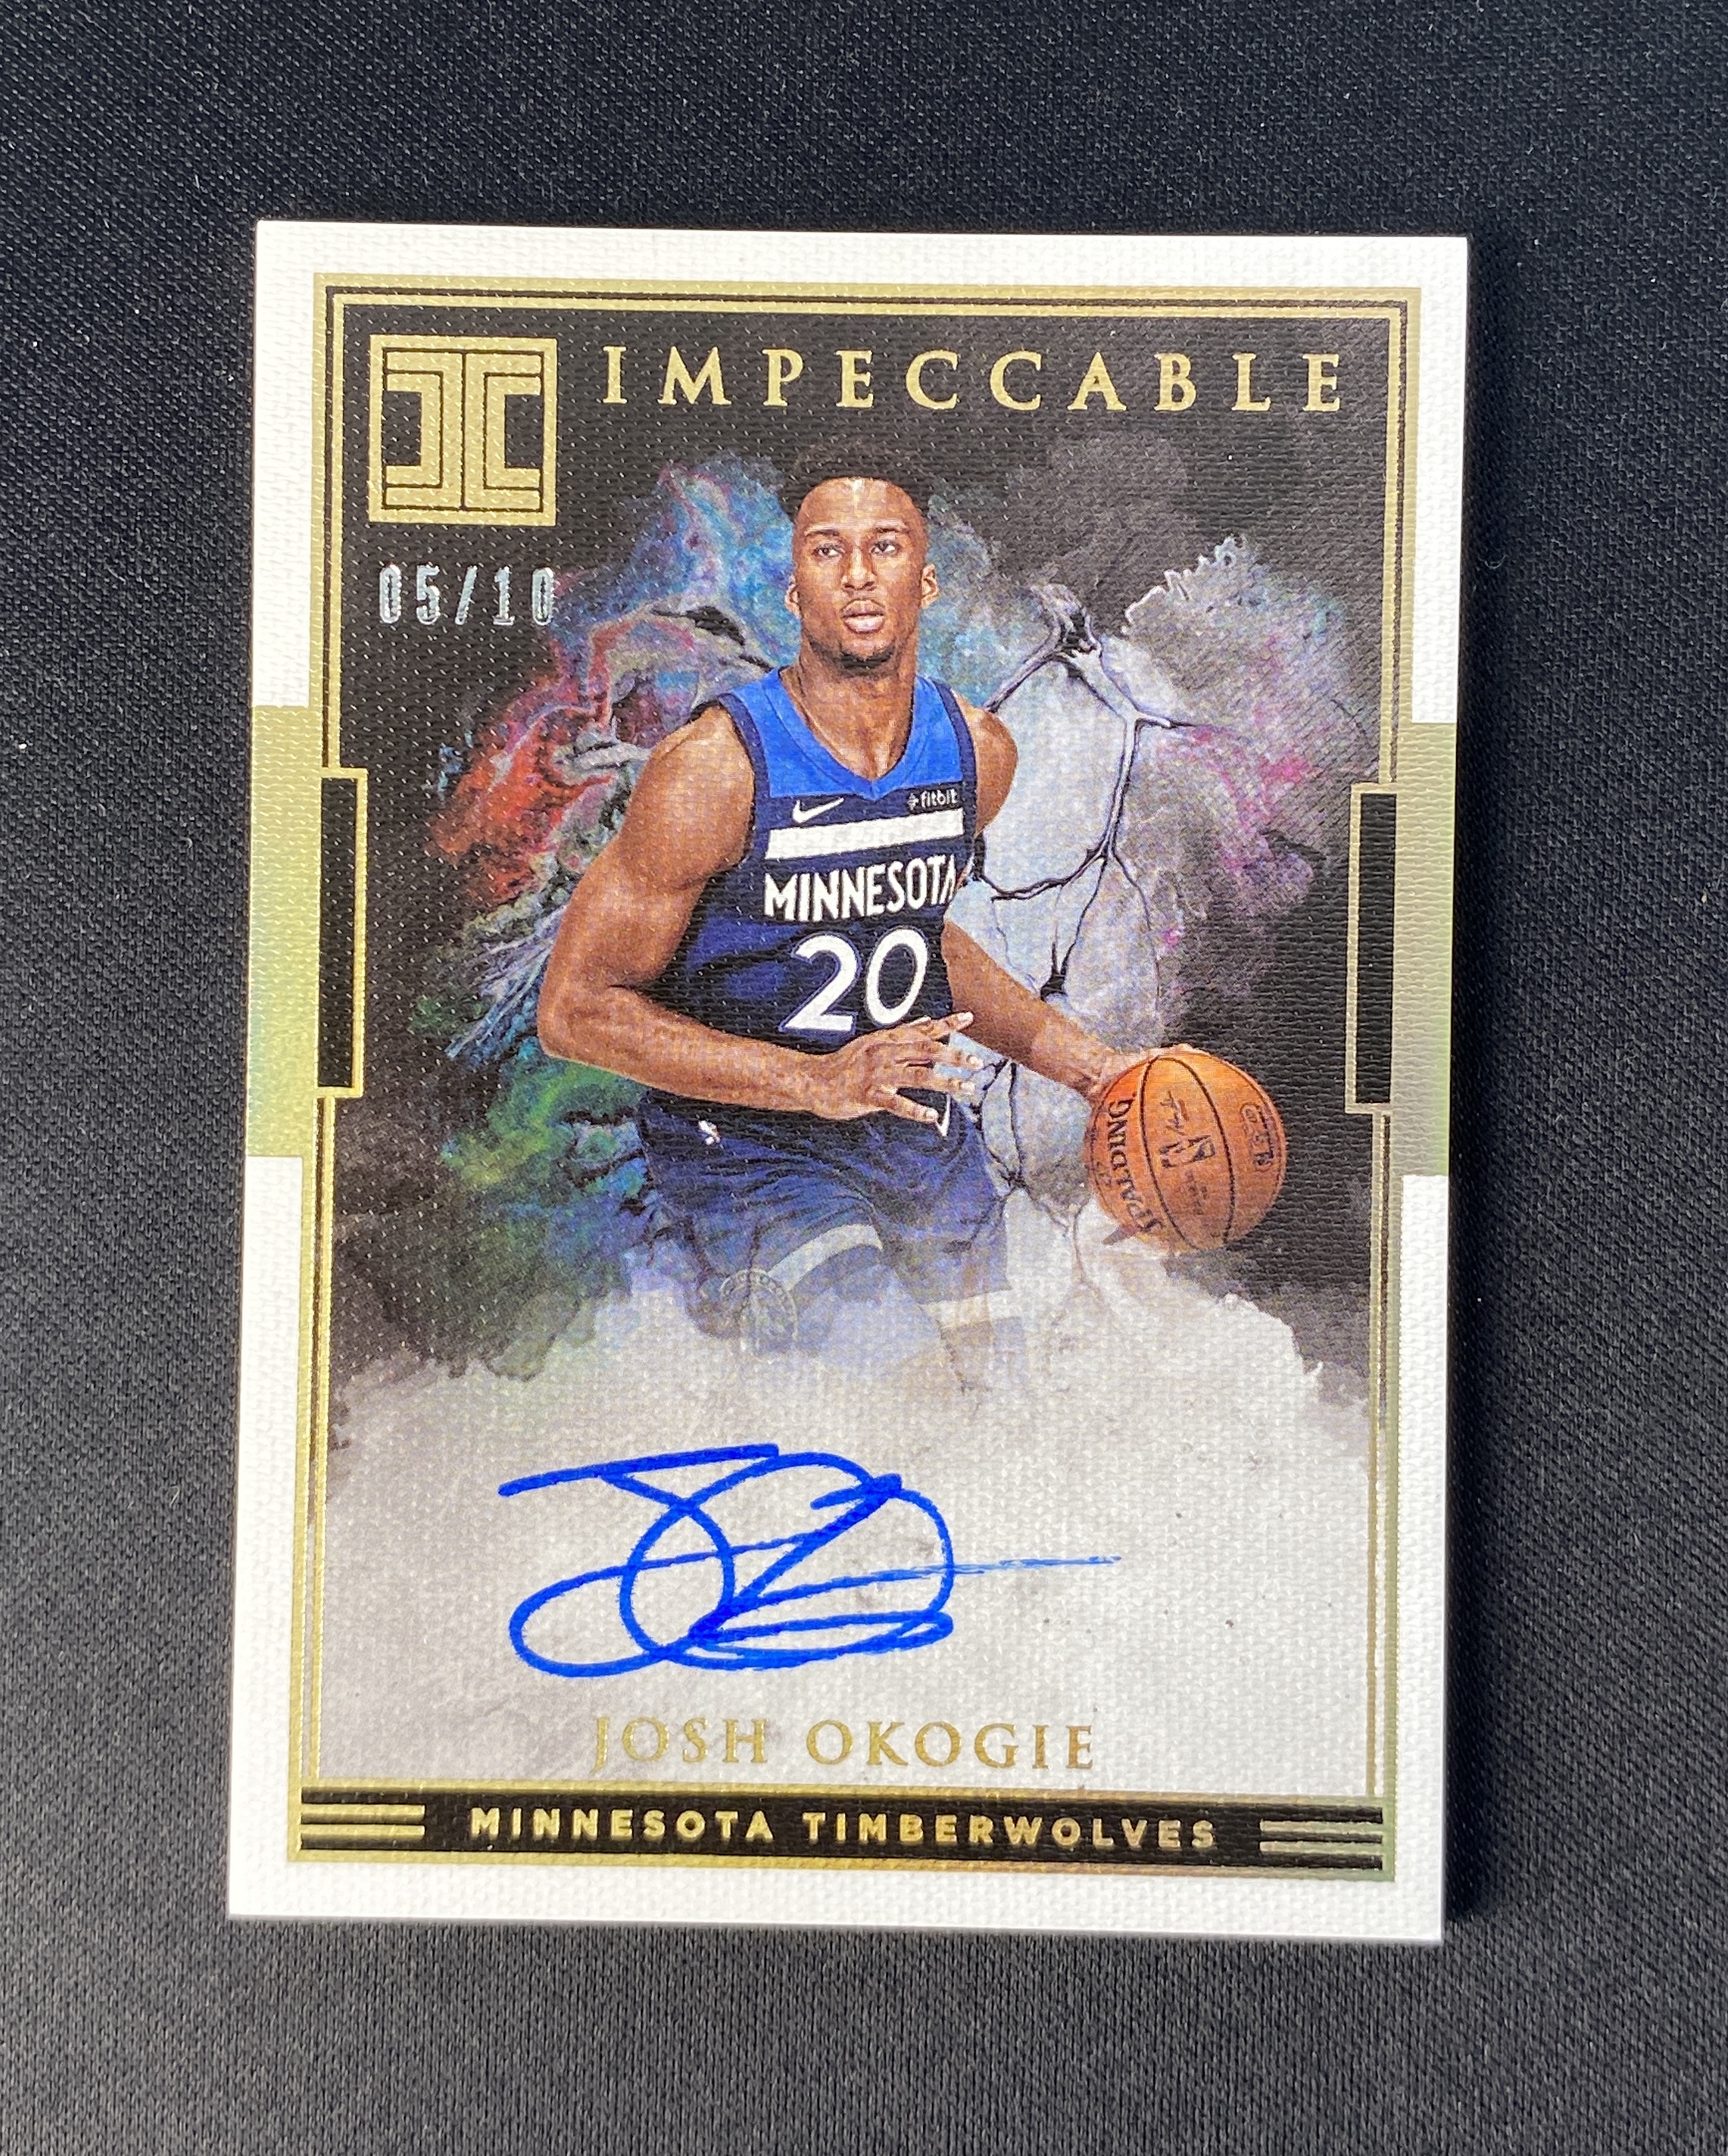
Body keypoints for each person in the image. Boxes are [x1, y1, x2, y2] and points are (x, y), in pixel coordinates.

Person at [538, 440, 1135, 1381]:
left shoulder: (978, 753)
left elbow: (916, 940)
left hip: (914, 1140)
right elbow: (575, 1008)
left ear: (924, 580)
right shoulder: (713, 769)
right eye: (827, 549)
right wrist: (813, 1080)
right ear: (794, 590)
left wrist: (1095, 1071)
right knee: (898, 1400)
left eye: (884, 545)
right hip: (749, 1146)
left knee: (1003, 1407)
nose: (857, 572)